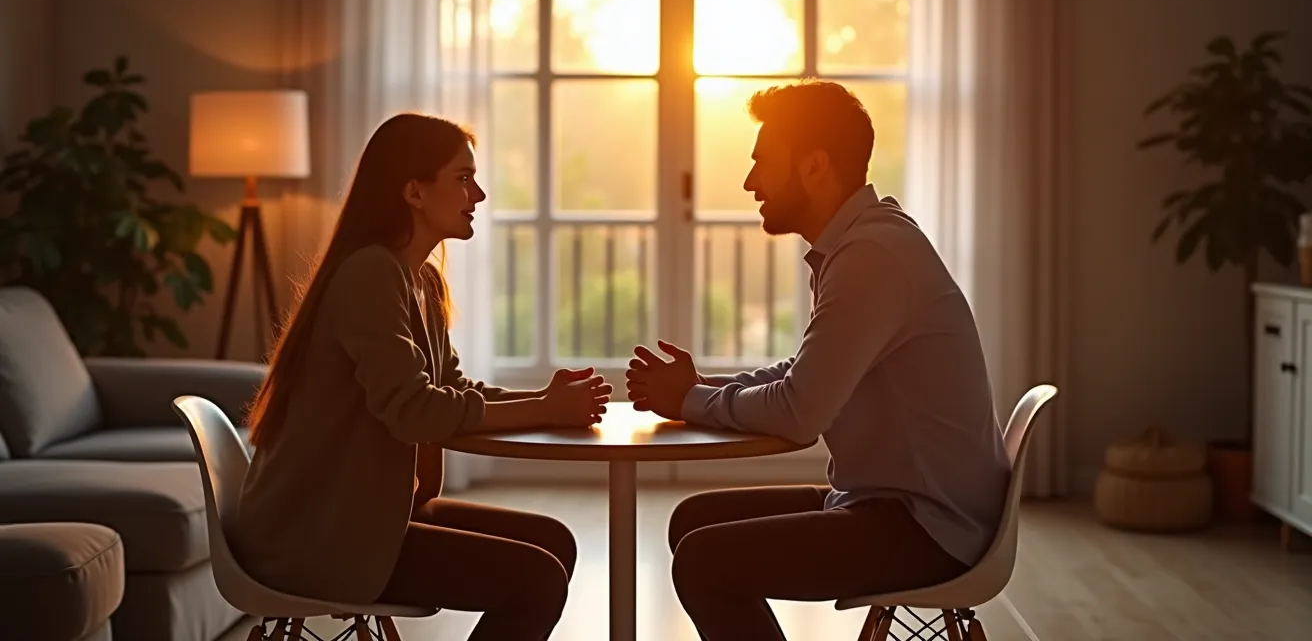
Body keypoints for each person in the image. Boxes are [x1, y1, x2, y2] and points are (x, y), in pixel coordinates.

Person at [625, 80, 1009, 640]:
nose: (750, 182)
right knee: (692, 522)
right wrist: (702, 388)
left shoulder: (870, 257)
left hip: (928, 526)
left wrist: (689, 399)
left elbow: (800, 413)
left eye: (763, 163)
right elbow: (805, 371)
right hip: (901, 503)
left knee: (706, 562)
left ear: (814, 165)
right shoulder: (864, 242)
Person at [234, 112, 612, 641]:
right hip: (319, 536)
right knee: (537, 578)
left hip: (367, 518)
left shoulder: (420, 280)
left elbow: (452, 393)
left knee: (555, 543)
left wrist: (543, 397)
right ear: (413, 191)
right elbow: (415, 413)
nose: (477, 194)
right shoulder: (370, 273)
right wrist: (544, 411)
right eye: (462, 178)